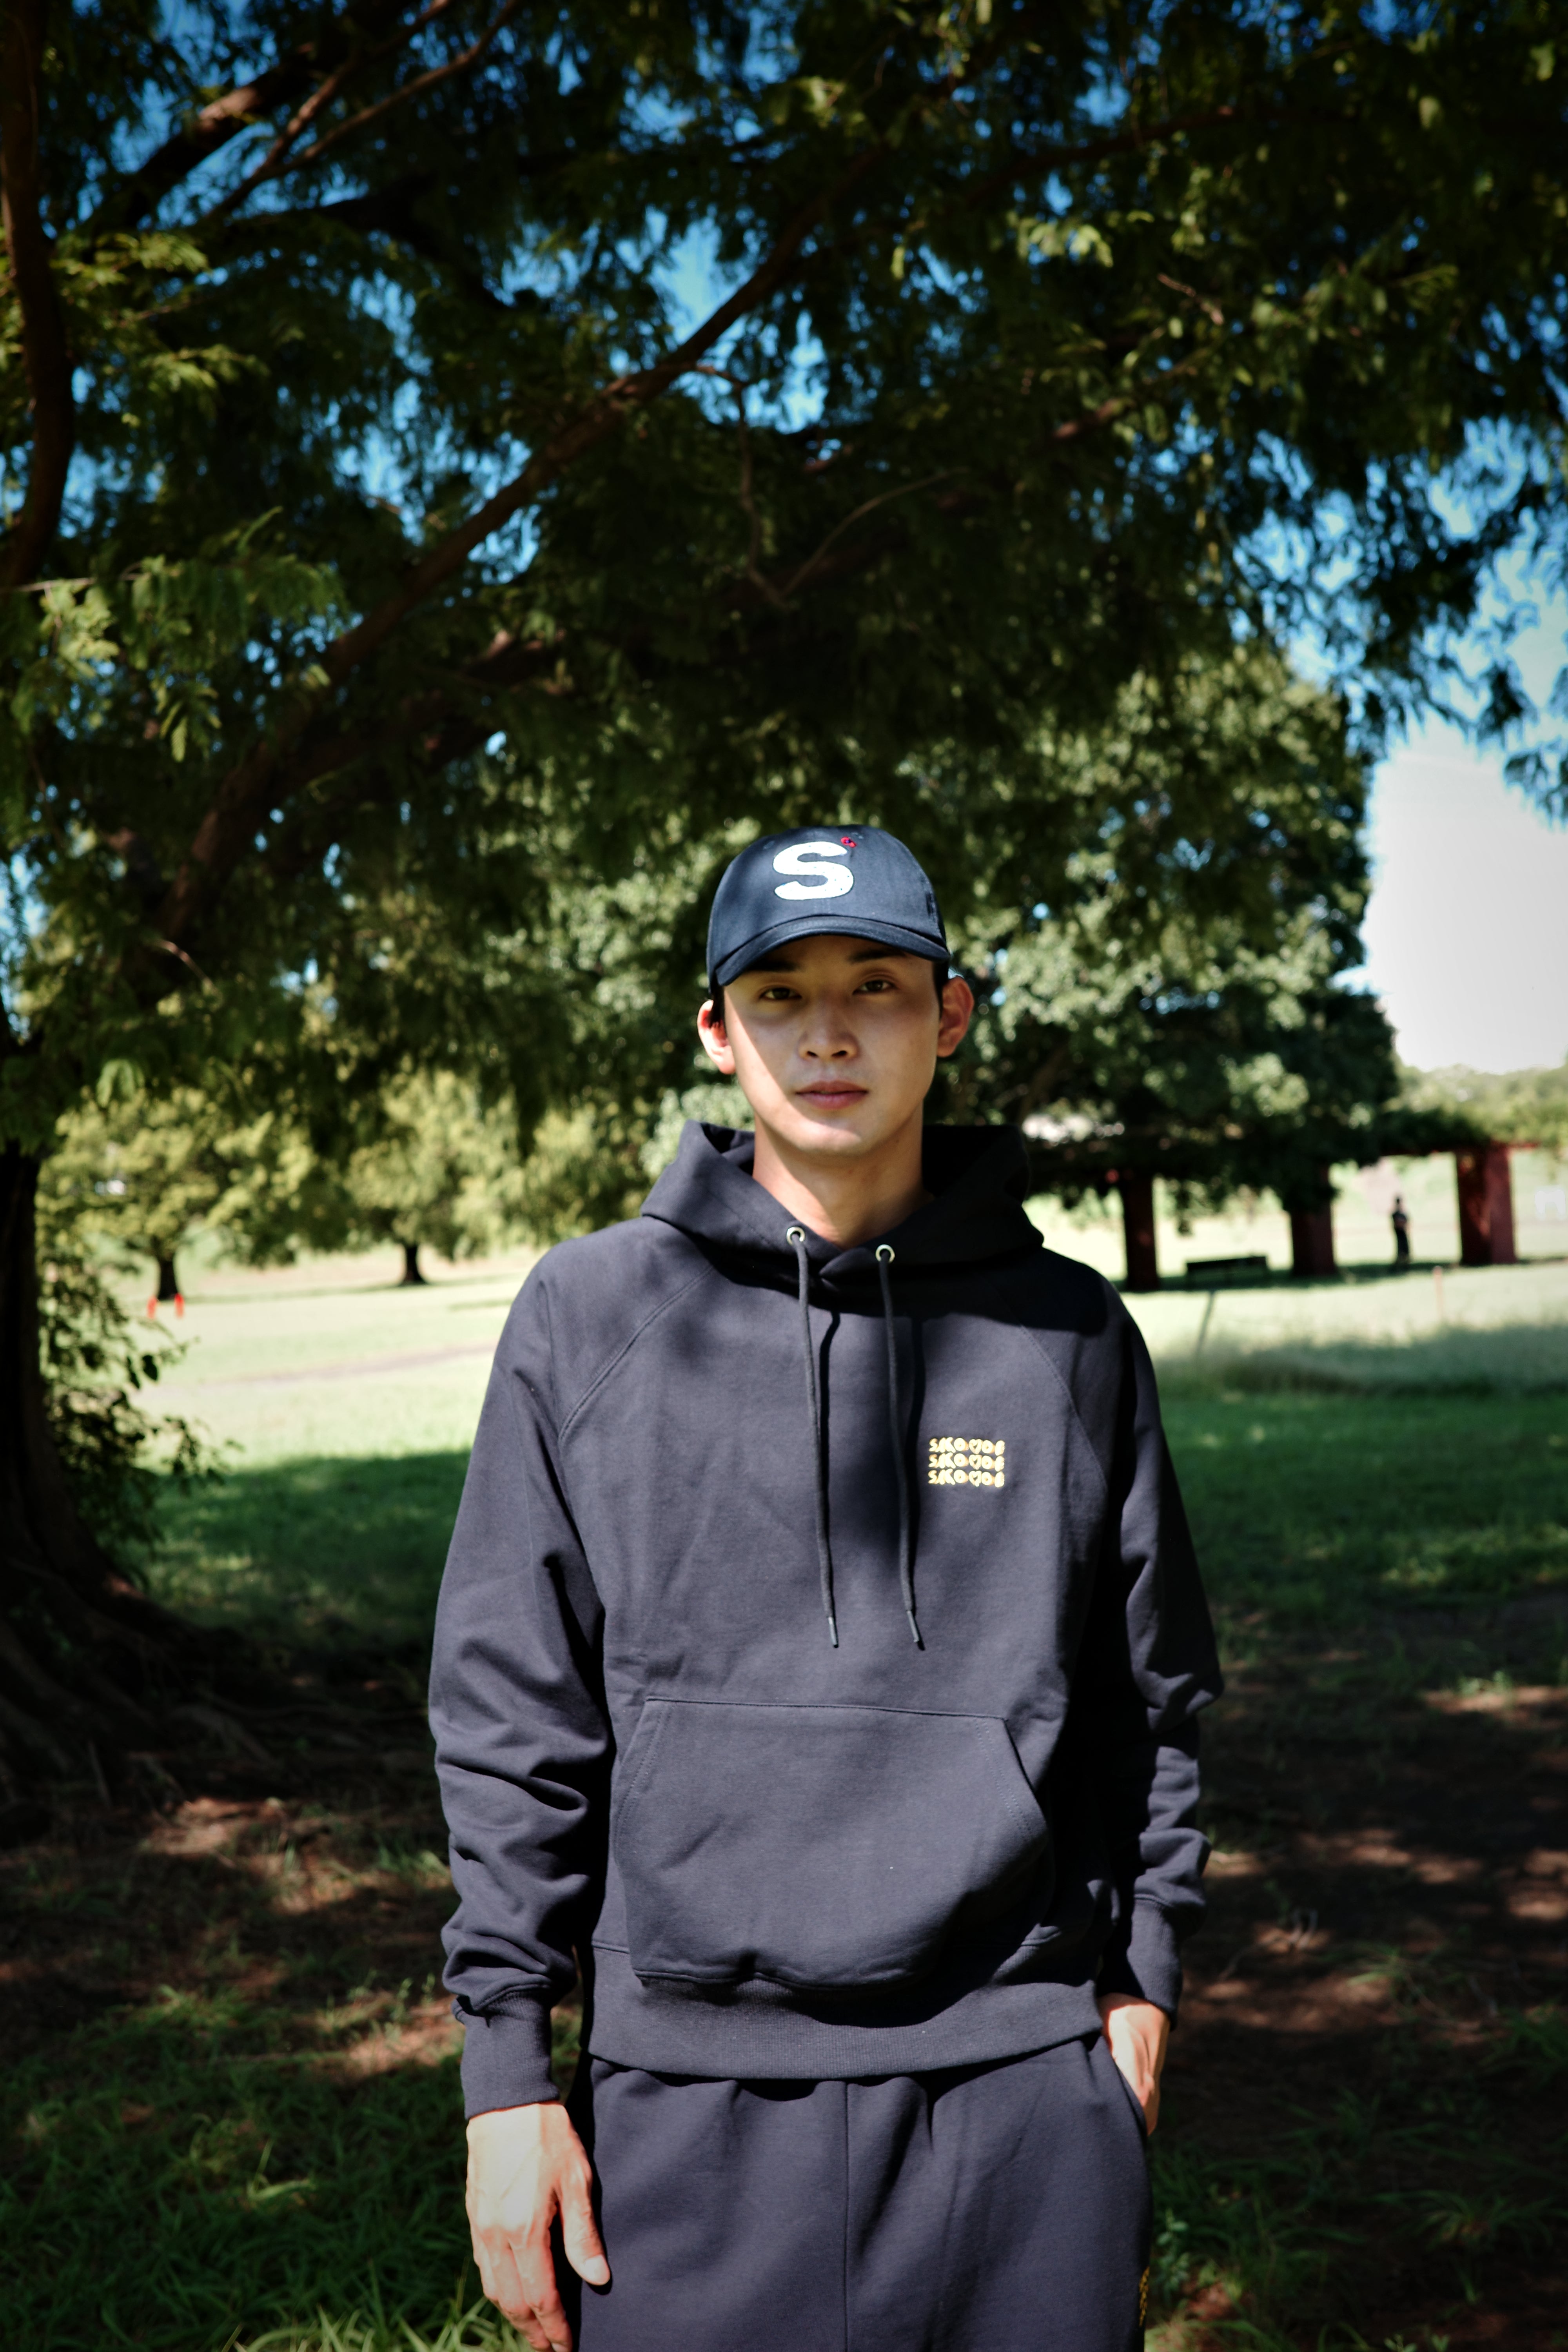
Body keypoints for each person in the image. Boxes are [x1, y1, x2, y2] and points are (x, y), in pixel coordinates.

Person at [431, 824, 1222, 2352]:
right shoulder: (588, 1318)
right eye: (781, 993)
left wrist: (1142, 1983)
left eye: (875, 985)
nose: (830, 1032)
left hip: (1017, 2086)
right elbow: (509, 1722)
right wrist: (508, 2077)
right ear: (717, 1032)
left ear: (951, 1013)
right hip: (683, 2100)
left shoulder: (1069, 1338)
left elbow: (1152, 1702)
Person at [1391, 1194, 1412, 1268]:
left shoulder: (1403, 1213)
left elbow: (1407, 1221)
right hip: (1399, 1232)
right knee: (1400, 1246)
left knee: (1405, 1245)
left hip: (1403, 1231)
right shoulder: (1396, 1214)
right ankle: (1400, 1259)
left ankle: (1406, 1259)